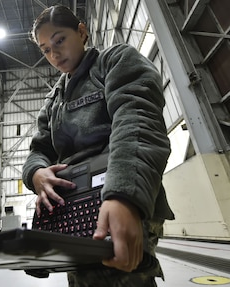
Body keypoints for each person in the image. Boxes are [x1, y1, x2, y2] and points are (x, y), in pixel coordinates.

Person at [22, 5, 174, 287]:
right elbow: (39, 150)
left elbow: (136, 121)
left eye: (59, 40)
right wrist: (36, 173)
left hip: (116, 192)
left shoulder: (115, 61)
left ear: (81, 31)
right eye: (45, 49)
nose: (54, 54)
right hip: (72, 206)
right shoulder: (54, 99)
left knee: (122, 275)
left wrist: (123, 195)